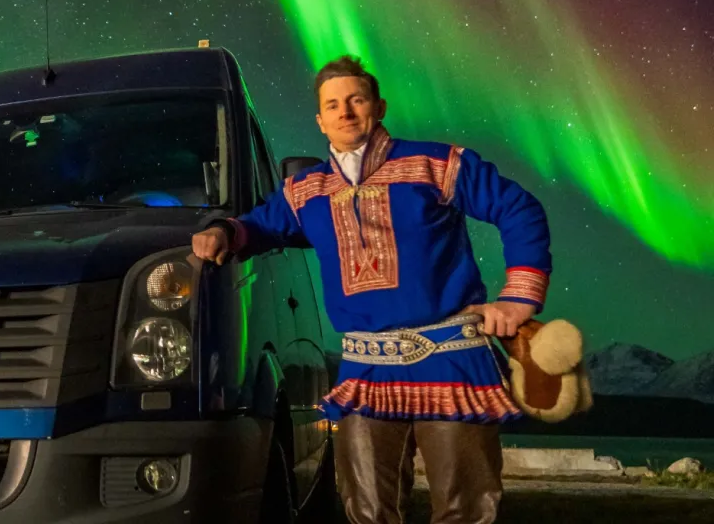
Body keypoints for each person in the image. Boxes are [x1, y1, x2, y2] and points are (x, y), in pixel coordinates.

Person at [192, 56, 551, 524]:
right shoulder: (306, 191)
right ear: (320, 120)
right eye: (332, 105)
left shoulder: (434, 164)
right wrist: (223, 230)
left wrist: (519, 295)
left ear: (378, 107)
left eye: (355, 100)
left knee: (465, 510)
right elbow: (260, 226)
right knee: (366, 512)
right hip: (366, 371)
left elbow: (517, 207)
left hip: (450, 357)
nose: (345, 112)